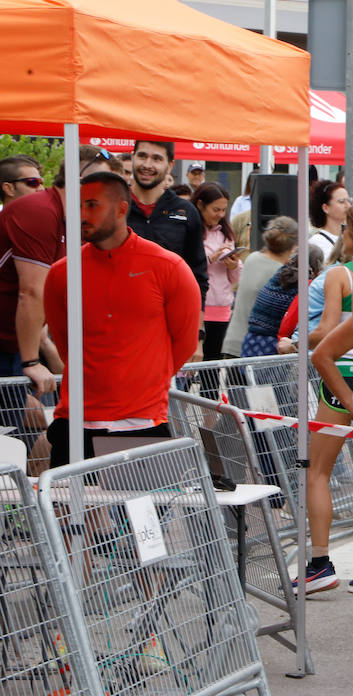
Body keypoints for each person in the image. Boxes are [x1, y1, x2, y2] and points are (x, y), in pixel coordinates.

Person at [43, 172, 200, 464]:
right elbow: (65, 345)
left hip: (141, 424)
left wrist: (141, 382)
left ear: (121, 209)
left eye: (92, 205)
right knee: (69, 510)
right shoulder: (60, 274)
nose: (81, 214)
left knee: (139, 511)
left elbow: (185, 343)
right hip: (74, 422)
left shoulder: (168, 267)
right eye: (77, 205)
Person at [293, 203, 353, 594]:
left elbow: (327, 330)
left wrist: (296, 340)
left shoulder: (340, 275)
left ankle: (319, 563)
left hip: (340, 380)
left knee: (317, 472)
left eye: (347, 229)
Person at [0, 144, 113, 388]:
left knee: (15, 422)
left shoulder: (71, 218)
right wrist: (31, 362)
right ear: (81, 179)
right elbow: (30, 291)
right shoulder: (40, 210)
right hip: (12, 345)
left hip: (14, 342)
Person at [126, 140, 209, 312]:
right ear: (133, 157)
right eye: (142, 156)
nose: (147, 165)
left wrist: (198, 332)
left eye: (157, 159)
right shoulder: (115, 206)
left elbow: (198, 274)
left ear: (170, 165)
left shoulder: (186, 211)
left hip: (169, 318)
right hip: (119, 318)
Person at [221, 216, 296, 359]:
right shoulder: (283, 274)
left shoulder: (252, 258)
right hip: (258, 349)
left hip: (233, 341)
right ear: (293, 246)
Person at [192, 183, 242, 363]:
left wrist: (233, 264)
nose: (220, 214)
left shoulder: (226, 234)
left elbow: (236, 279)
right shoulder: (191, 230)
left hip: (221, 307)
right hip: (196, 308)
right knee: (188, 367)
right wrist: (209, 259)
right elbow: (184, 267)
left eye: (223, 210)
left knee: (212, 366)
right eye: (216, 209)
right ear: (200, 205)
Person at [308, 181, 349, 261]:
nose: (348, 205)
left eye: (349, 201)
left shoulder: (349, 238)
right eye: (341, 201)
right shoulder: (316, 242)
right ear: (325, 208)